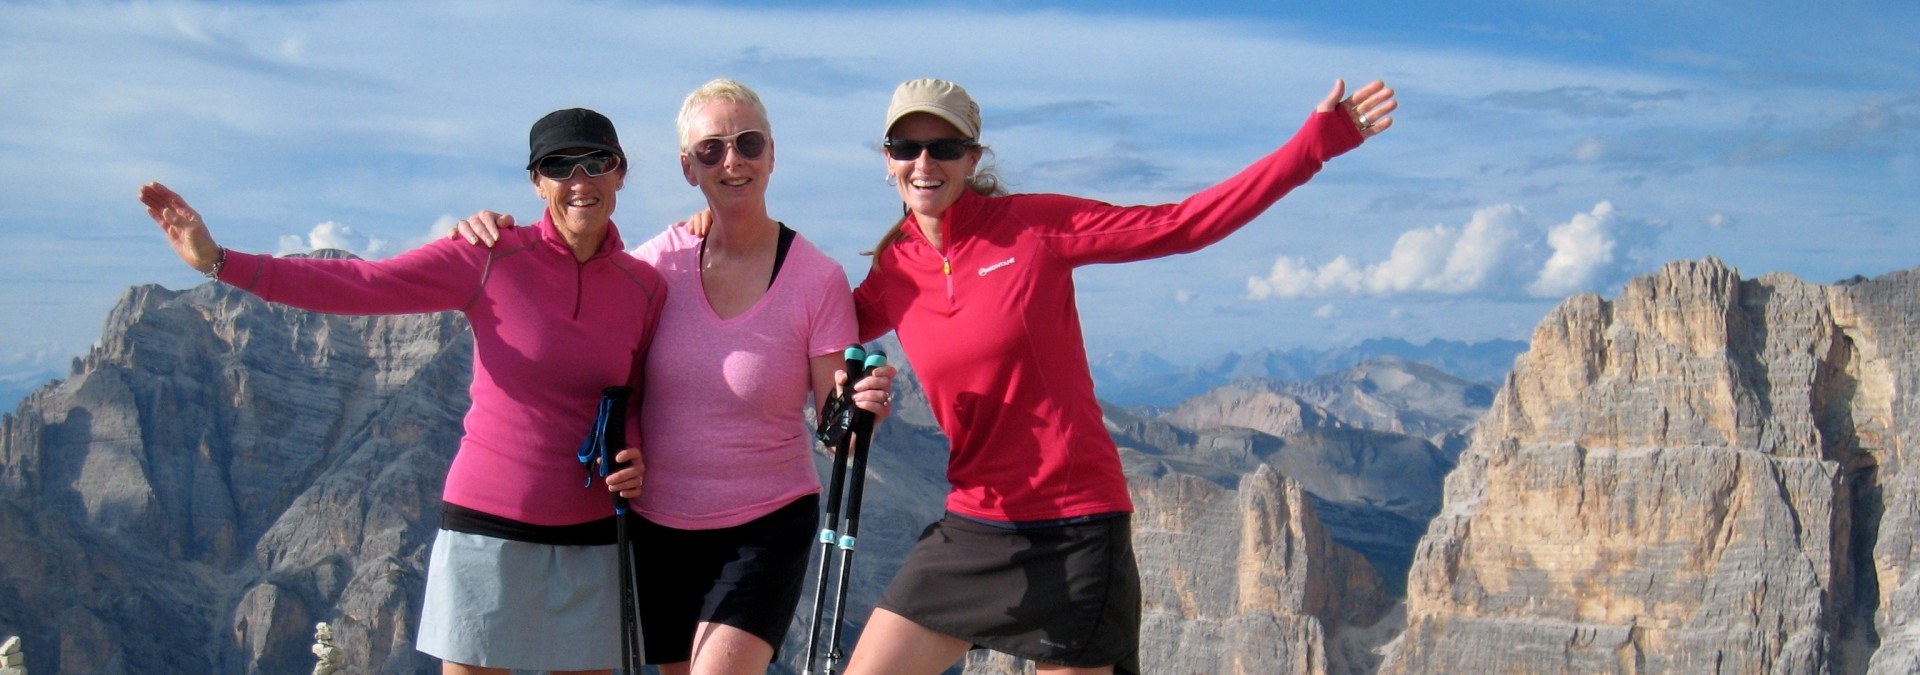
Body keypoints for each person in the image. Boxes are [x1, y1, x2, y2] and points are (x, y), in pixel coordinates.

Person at [839, 77, 1398, 675]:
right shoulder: (893, 268)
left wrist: (1317, 142)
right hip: (974, 523)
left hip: (1075, 527)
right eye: (906, 147)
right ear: (888, 160)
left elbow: (1184, 225)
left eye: (944, 148)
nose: (924, 163)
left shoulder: (1033, 227)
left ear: (972, 158)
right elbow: (810, 334)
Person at [140, 107, 668, 675]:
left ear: (621, 174)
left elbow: (635, 394)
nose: (580, 180)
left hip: (594, 531)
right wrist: (220, 262)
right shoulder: (489, 254)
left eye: (598, 162)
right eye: (560, 166)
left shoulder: (645, 287)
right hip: (489, 520)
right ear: (537, 182)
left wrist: (633, 451)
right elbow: (363, 286)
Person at [452, 79, 895, 675]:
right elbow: (576, 304)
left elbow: (834, 426)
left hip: (765, 523)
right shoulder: (655, 264)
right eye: (711, 150)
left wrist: (860, 409)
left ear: (772, 154)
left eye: (748, 144)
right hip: (656, 525)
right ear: (688, 168)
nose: (731, 161)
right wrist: (495, 237)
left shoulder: (817, 279)